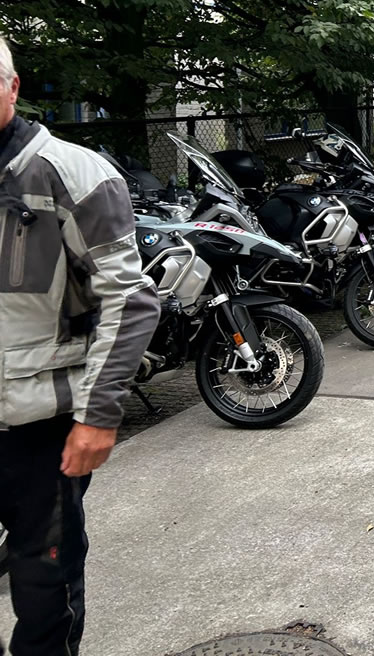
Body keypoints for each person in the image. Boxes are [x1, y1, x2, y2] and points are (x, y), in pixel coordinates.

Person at [0, 35, 160, 656]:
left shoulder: (71, 174)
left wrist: (97, 415)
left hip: (39, 428)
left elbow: (130, 299)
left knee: (44, 589)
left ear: (13, 87)